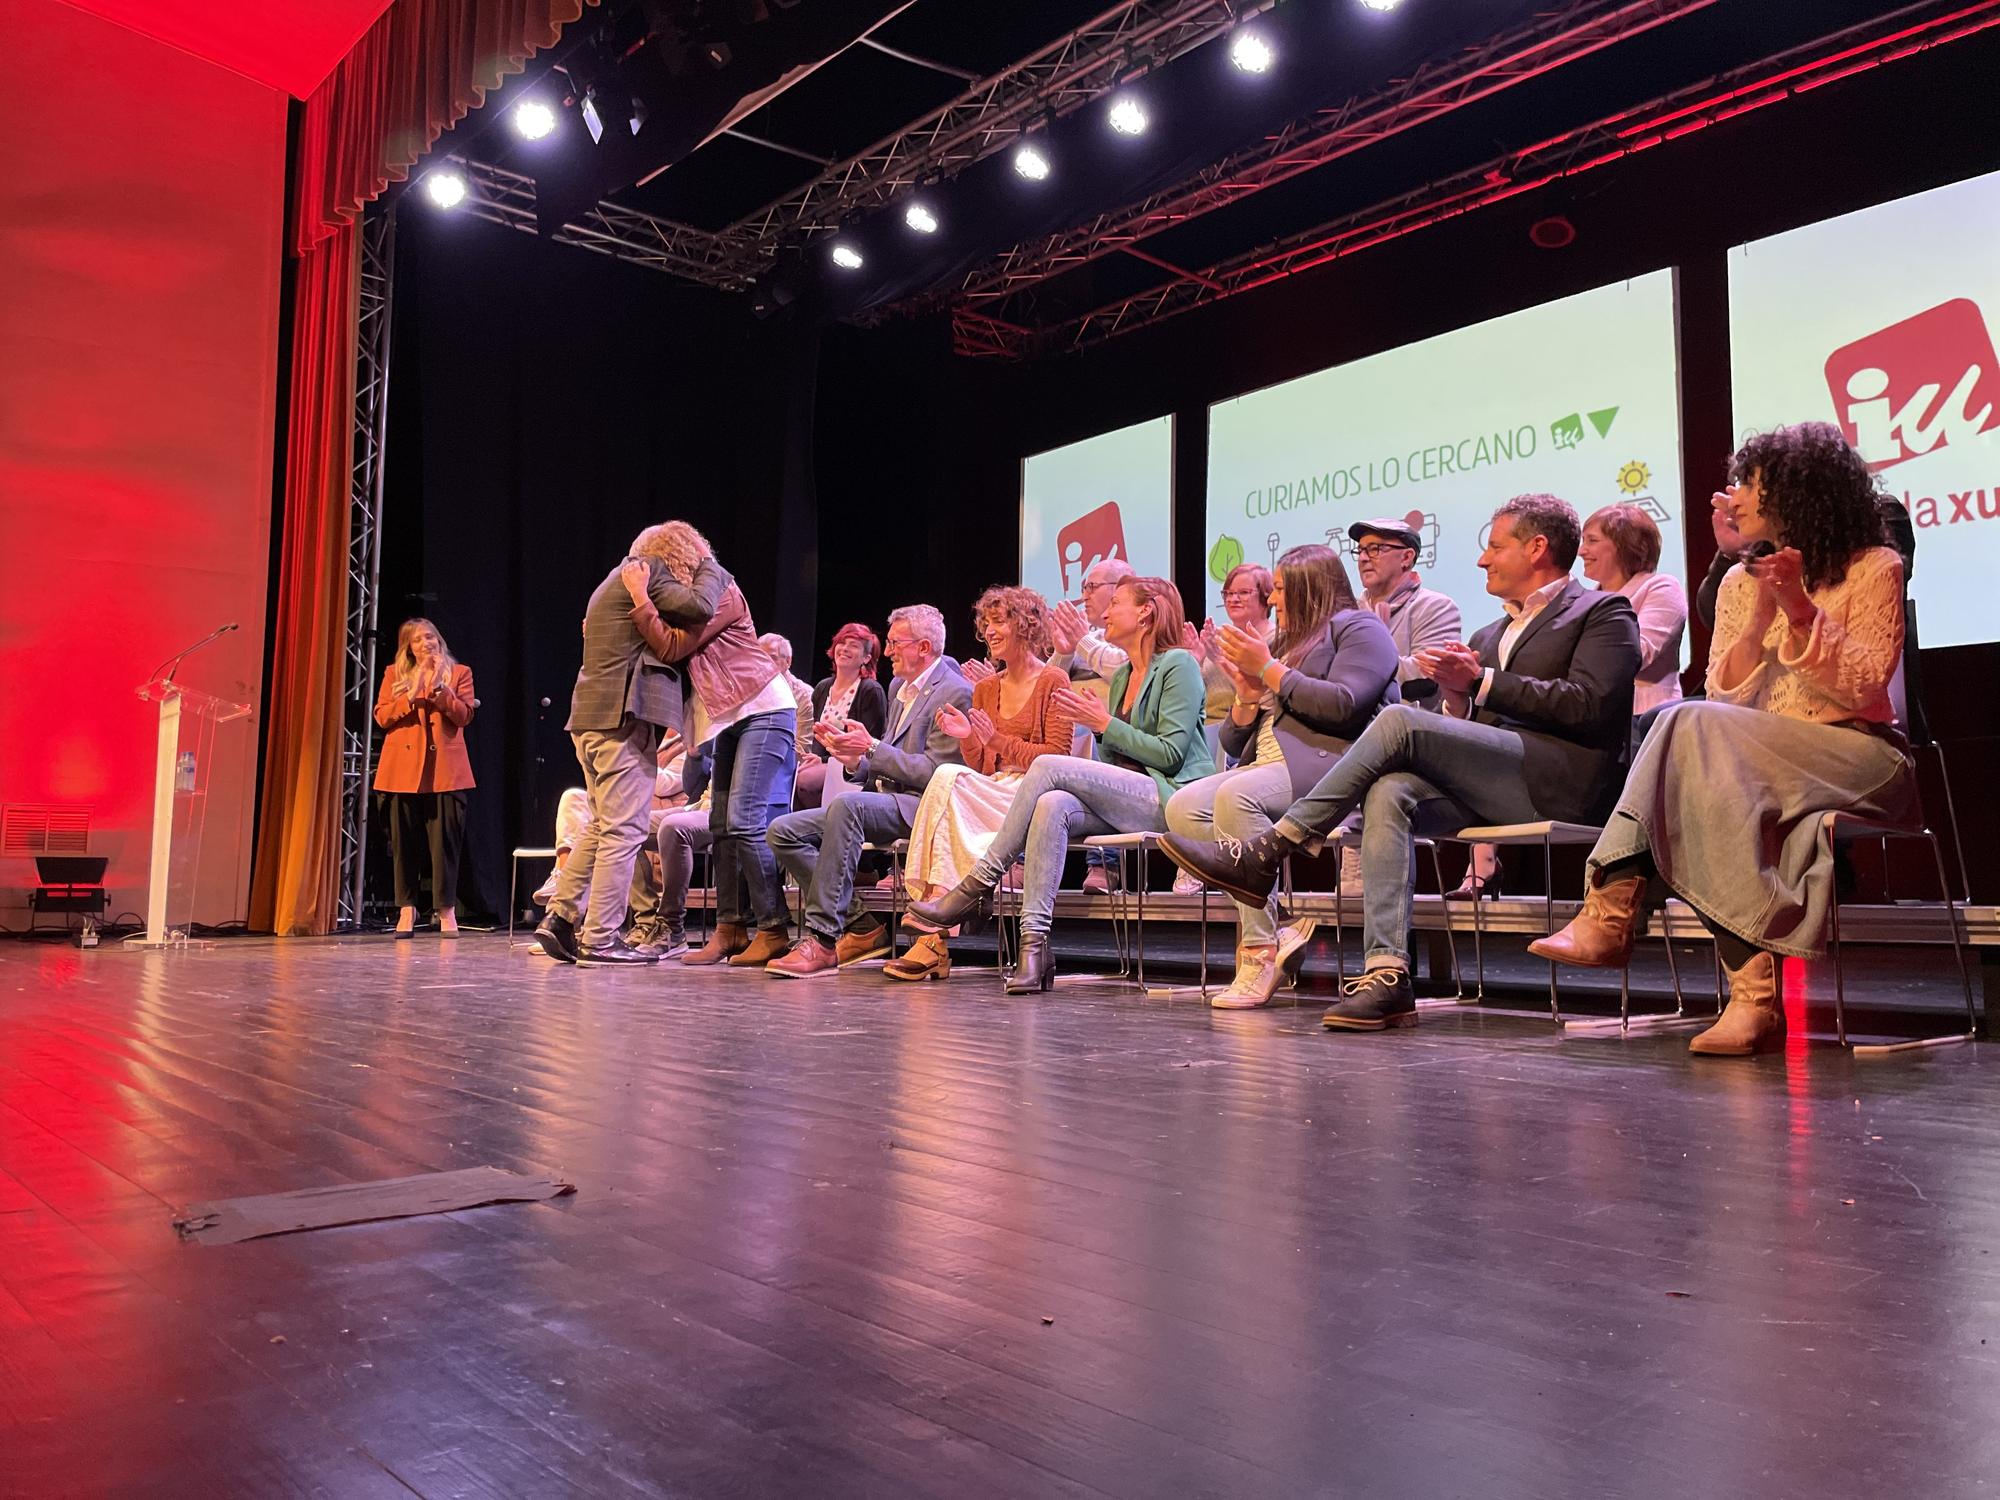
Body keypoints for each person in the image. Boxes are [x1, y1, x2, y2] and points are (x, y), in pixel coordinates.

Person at [1160, 495, 1641, 1032]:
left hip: (1563, 784)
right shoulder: (1488, 635)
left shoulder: (1603, 612)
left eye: (1494, 546)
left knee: (1395, 723)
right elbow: (1478, 730)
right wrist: (1460, 698)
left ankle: (1273, 848)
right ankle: (1388, 973)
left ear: (1536, 548)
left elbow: (1591, 705)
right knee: (1389, 788)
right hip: (1496, 783)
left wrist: (1482, 682)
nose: (1482, 560)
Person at [1533, 423, 1916, 1056]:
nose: (1731, 497)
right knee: (1708, 777)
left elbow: (1867, 692)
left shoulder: (1874, 566)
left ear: (1796, 494)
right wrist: (1762, 612)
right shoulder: (1740, 584)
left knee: (1682, 725)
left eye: (1747, 484)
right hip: (1756, 761)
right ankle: (1752, 1001)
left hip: (1861, 758)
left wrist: (1797, 606)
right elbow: (1726, 695)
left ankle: (1614, 902)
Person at [909, 577, 1215, 995]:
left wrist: (1104, 724)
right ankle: (1033, 947)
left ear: (1146, 612)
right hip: (1123, 800)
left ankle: (975, 885)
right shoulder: (1125, 675)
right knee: (1052, 803)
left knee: (1050, 765)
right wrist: (1105, 731)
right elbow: (1111, 760)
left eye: (1117, 604)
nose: (1105, 613)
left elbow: (1170, 756)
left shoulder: (1178, 664)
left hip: (1170, 798)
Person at [1163, 547, 1399, 1007]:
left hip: (1329, 766)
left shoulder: (1359, 627)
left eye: (1281, 590)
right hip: (1266, 763)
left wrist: (1270, 670)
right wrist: (1248, 697)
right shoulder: (1286, 642)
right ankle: (1280, 924)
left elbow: (1345, 704)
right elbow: (1233, 743)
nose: (1272, 601)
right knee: (1182, 807)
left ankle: (1259, 953)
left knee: (1236, 797)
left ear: (1311, 587)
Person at [1454, 502, 1692, 900]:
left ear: (1626, 544)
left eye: (1593, 541)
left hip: (1643, 719)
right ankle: (1482, 863)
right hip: (1577, 720)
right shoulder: (1578, 601)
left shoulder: (1655, 588)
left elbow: (1639, 654)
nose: (1582, 550)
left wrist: (1595, 648)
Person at [534, 525, 722, 966]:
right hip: (622, 719)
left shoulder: (609, 584)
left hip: (590, 719)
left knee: (601, 824)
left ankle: (560, 918)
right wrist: (711, 566)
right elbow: (699, 605)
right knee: (626, 831)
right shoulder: (650, 572)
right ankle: (600, 939)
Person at [622, 523, 798, 968]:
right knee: (720, 825)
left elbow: (671, 648)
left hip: (764, 708)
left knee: (742, 820)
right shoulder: (690, 602)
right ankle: (730, 929)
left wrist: (642, 603)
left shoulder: (720, 592)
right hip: (729, 718)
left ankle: (773, 929)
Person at [765, 606, 972, 978]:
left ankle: (824, 939)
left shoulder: (954, 691)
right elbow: (878, 762)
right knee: (783, 830)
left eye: (894, 643)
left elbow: (938, 773)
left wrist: (872, 748)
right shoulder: (899, 687)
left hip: (924, 807)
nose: (888, 651)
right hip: (887, 799)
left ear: (923, 647)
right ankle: (862, 926)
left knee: (848, 806)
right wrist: (851, 759)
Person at [887, 587, 1075, 982]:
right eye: (985, 623)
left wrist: (996, 741)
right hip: (996, 787)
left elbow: (1058, 759)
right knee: (949, 775)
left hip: (1034, 793)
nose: (988, 631)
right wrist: (967, 737)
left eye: (999, 621)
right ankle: (935, 918)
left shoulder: (1053, 680)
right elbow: (982, 763)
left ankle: (931, 921)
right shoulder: (986, 688)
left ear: (1026, 625)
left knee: (948, 777)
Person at [372, 618, 475, 938]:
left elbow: (464, 716)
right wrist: (412, 695)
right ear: (409, 648)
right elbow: (382, 716)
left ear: (439, 640)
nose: (425, 643)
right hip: (401, 771)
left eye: (430, 636)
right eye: (417, 640)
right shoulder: (394, 675)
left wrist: (441, 690)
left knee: (444, 844)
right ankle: (407, 909)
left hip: (445, 771)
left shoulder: (460, 673)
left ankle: (445, 910)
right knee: (404, 844)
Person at [1350, 517, 1462, 685]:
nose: (1363, 558)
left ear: (1407, 557)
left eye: (1374, 549)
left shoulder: (1435, 607)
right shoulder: (1349, 611)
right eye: (1360, 550)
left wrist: (1349, 668)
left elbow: (1426, 673)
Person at [799, 623, 889, 807]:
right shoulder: (823, 687)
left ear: (866, 658)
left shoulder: (870, 690)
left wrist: (823, 760)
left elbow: (870, 742)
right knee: (790, 774)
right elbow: (816, 735)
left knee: (805, 781)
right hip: (821, 761)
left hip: (852, 765)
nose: (845, 649)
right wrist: (813, 758)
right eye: (842, 642)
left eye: (854, 645)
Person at [759, 632, 819, 768]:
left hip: (783, 765)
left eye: (772, 658)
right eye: (760, 657)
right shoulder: (749, 690)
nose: (765, 663)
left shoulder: (804, 695)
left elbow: (802, 749)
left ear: (788, 661)